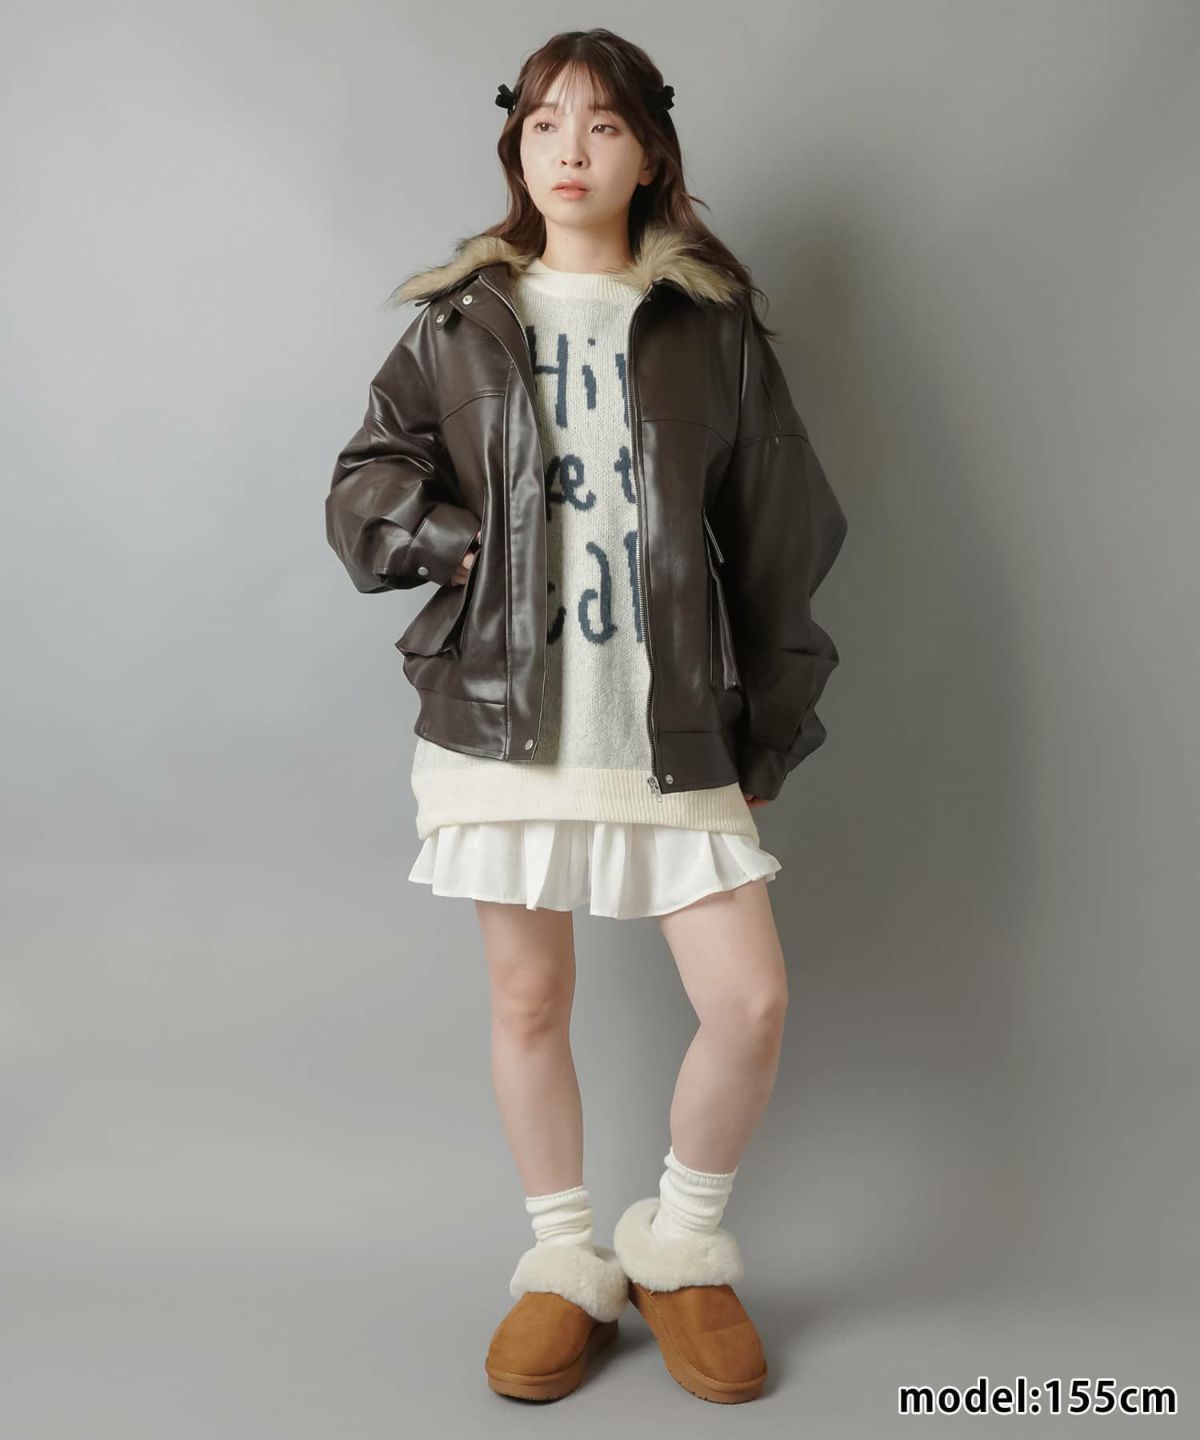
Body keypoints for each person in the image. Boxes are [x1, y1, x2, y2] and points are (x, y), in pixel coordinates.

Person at [325, 28, 849, 1406]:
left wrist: (770, 723)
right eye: (547, 123)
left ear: (650, 154)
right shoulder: (459, 320)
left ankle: (678, 1245)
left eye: (604, 125)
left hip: (667, 722)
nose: (571, 150)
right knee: (528, 997)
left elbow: (785, 534)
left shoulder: (710, 331)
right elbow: (366, 480)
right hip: (503, 716)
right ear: (518, 147)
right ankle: (564, 1264)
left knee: (749, 1001)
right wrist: (457, 544)